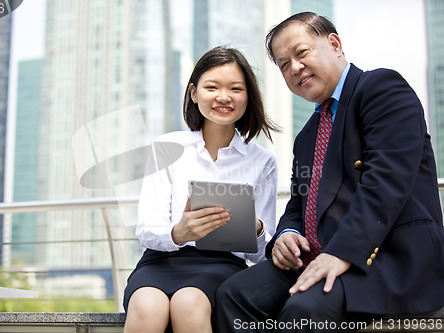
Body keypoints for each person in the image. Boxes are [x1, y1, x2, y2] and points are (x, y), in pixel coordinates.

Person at [215, 12, 444, 332]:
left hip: (384, 257)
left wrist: (341, 252)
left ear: (334, 44)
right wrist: (287, 234)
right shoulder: (307, 134)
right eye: (283, 65)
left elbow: (385, 182)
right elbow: (298, 203)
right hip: (314, 255)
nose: (294, 67)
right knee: (233, 295)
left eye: (301, 53)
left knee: (303, 311)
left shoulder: (381, 89)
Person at [123, 46, 279, 333]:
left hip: (221, 264)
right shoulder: (167, 147)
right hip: (160, 260)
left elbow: (264, 254)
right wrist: (178, 233)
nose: (223, 96)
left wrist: (255, 228)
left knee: (189, 303)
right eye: (212, 87)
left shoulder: (262, 161)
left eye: (235, 88)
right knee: (146, 306)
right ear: (194, 93)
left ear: (248, 97)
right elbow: (146, 229)